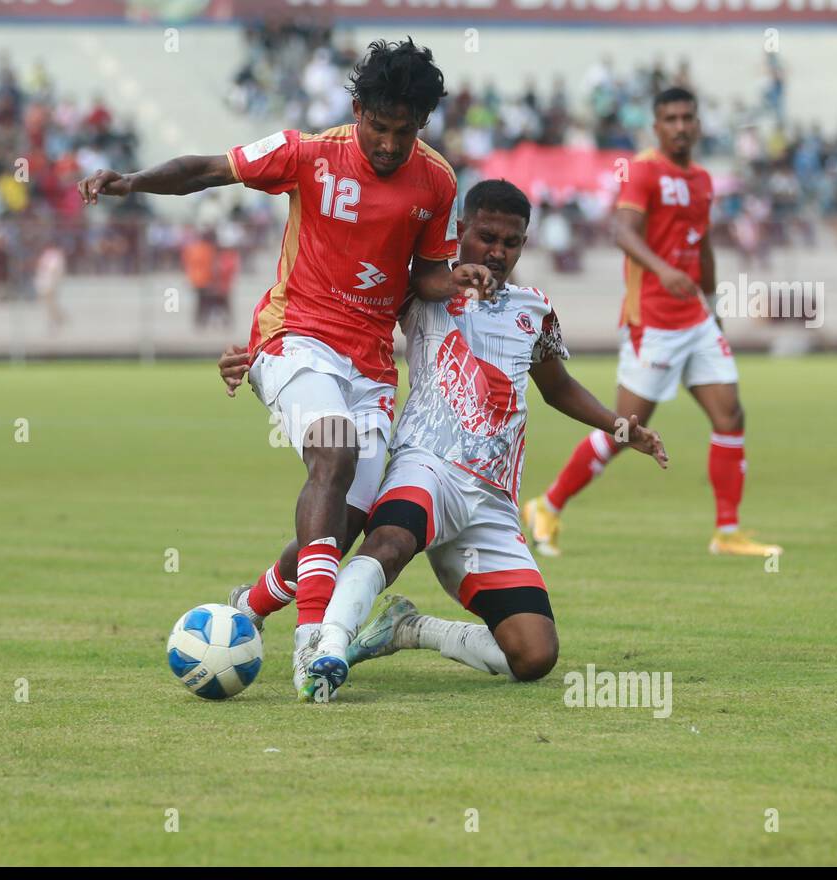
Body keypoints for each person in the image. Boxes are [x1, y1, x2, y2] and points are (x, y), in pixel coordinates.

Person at [79, 38, 493, 699]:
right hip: (293, 336)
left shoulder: (437, 181)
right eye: (378, 128)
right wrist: (131, 181)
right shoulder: (308, 152)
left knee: (343, 523)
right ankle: (310, 642)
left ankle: (251, 606)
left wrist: (459, 277)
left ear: (422, 126)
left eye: (404, 133)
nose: (388, 145)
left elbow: (425, 274)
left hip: (369, 363)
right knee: (333, 454)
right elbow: (208, 169)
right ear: (357, 110)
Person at [222, 179, 667, 700]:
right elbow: (336, 318)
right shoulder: (424, 290)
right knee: (384, 543)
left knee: (534, 654)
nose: (497, 252)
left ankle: (410, 629)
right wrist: (268, 354)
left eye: (511, 242)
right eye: (486, 237)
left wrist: (619, 425)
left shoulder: (534, 310)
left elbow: (556, 386)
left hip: (492, 503)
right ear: (461, 231)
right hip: (427, 466)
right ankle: (327, 650)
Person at [520, 88, 781, 558]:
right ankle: (549, 503)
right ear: (657, 126)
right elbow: (621, 230)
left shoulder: (702, 179)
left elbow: (701, 246)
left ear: (698, 124)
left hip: (696, 320)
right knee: (625, 429)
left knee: (730, 414)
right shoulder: (642, 170)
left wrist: (714, 306)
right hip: (653, 322)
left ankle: (727, 532)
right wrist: (663, 271)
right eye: (670, 118)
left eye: (687, 117)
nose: (680, 126)